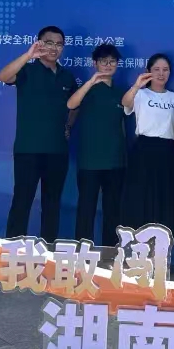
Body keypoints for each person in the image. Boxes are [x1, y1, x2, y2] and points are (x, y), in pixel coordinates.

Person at [0, 26, 76, 242]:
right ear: (39, 43)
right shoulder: (27, 70)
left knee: (52, 203)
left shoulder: (67, 76)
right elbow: (3, 76)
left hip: (57, 150)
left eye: (59, 44)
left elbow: (75, 105)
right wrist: (28, 55)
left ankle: (48, 249)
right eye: (49, 43)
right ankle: (13, 248)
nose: (54, 48)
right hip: (28, 149)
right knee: (22, 200)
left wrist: (68, 125)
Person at [67, 43, 126, 246]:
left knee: (113, 210)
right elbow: (71, 104)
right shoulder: (87, 89)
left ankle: (110, 252)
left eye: (112, 61)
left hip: (115, 161)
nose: (108, 65)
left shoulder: (120, 92)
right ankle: (82, 252)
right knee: (86, 208)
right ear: (95, 63)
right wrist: (92, 81)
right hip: (89, 161)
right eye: (103, 61)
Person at [121, 54, 174, 235]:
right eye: (156, 69)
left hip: (168, 151)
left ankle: (162, 243)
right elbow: (125, 103)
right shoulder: (140, 94)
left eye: (165, 70)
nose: (161, 73)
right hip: (144, 150)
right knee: (141, 196)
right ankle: (138, 242)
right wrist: (137, 85)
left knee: (165, 197)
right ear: (148, 71)